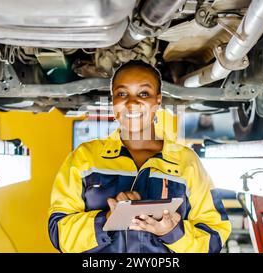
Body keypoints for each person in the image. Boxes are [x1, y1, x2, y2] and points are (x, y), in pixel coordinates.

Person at [48, 60, 231, 253]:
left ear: (157, 100)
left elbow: (214, 237)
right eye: (122, 93)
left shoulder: (187, 162)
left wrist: (172, 233)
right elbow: (58, 233)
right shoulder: (84, 157)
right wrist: (108, 218)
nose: (132, 103)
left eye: (144, 93)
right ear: (113, 101)